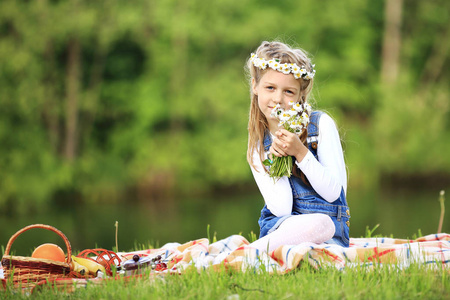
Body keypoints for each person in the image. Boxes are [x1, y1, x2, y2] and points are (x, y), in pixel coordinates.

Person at [245, 41, 350, 252]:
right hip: (282, 230)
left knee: (322, 224)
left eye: (289, 92)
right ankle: (252, 253)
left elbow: (333, 194)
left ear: (300, 95)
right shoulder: (258, 146)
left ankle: (255, 252)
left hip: (328, 234)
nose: (278, 99)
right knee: (309, 228)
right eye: (270, 88)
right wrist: (276, 158)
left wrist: (300, 153)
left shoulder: (320, 126)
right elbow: (282, 208)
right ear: (255, 86)